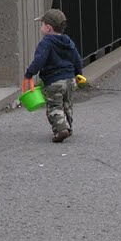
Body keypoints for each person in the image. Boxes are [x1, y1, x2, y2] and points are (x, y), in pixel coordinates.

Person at [24, 8, 83, 143]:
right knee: (67, 104)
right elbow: (77, 58)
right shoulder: (68, 41)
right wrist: (79, 73)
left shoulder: (46, 43)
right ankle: (68, 127)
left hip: (54, 81)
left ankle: (61, 129)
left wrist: (29, 73)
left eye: (42, 24)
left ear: (48, 28)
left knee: (54, 106)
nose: (41, 27)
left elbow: (39, 60)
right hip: (69, 80)